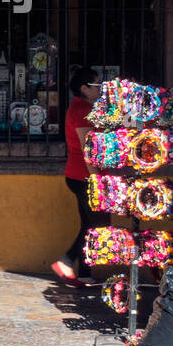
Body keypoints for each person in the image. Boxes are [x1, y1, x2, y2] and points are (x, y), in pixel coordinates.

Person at [52, 67, 106, 285]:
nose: (100, 89)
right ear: (84, 88)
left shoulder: (83, 107)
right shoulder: (82, 109)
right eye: (96, 85)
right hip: (83, 176)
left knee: (90, 224)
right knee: (95, 224)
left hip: (79, 175)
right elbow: (88, 149)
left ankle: (85, 273)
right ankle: (66, 261)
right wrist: (96, 179)